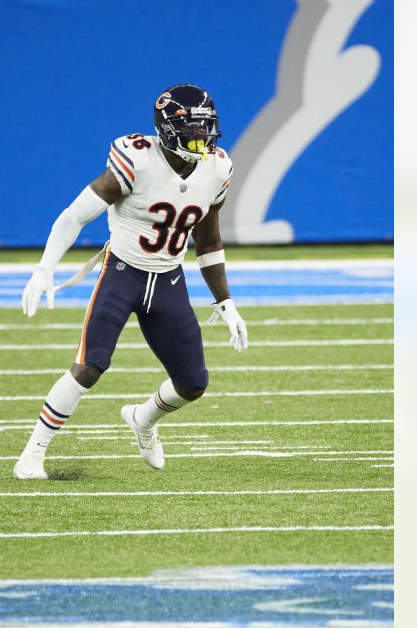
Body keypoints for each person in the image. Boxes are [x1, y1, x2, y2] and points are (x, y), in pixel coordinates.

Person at [14, 84, 249, 480]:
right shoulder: (137, 159)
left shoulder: (218, 167)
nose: (202, 137)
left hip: (169, 280)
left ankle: (143, 419)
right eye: (192, 128)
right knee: (89, 366)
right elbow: (75, 215)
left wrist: (224, 302)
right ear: (168, 129)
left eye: (205, 127)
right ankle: (32, 455)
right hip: (123, 273)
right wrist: (44, 268)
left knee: (193, 383)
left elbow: (208, 240)